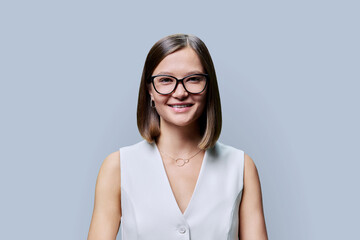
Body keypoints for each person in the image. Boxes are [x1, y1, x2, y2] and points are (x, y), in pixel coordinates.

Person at [87, 33, 268, 240]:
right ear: (149, 91)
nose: (180, 92)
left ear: (209, 87)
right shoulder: (118, 166)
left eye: (193, 79)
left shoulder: (241, 167)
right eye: (165, 80)